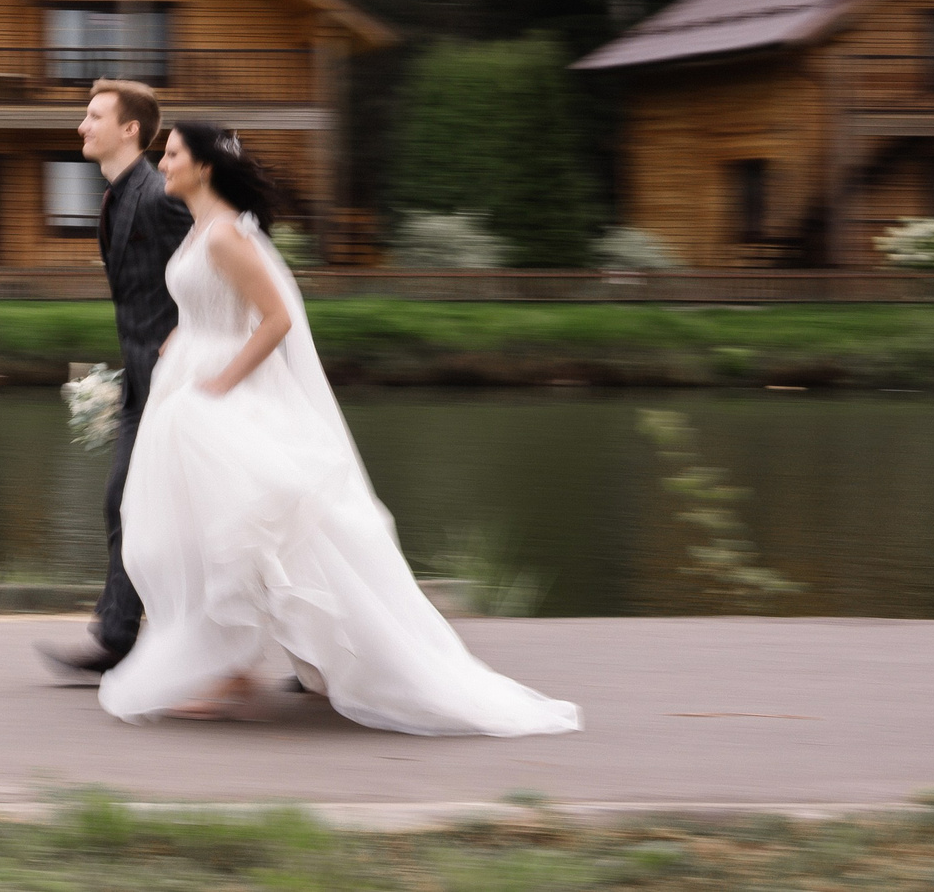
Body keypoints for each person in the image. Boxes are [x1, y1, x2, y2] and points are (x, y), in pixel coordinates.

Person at [97, 120, 581, 735]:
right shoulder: (200, 232)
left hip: (225, 395)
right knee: (206, 535)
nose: (161, 164)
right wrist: (179, 338)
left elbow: (275, 322)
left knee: (246, 533)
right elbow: (213, 306)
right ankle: (255, 664)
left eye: (171, 154)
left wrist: (223, 380)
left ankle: (242, 667)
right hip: (189, 388)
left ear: (204, 167)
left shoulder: (224, 237)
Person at [38, 78, 188, 679]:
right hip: (141, 383)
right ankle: (117, 635)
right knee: (125, 503)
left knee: (229, 519)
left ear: (130, 130)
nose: (81, 125)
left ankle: (120, 636)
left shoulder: (160, 197)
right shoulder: (114, 197)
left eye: (94, 115)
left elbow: (222, 265)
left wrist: (188, 337)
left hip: (182, 383)